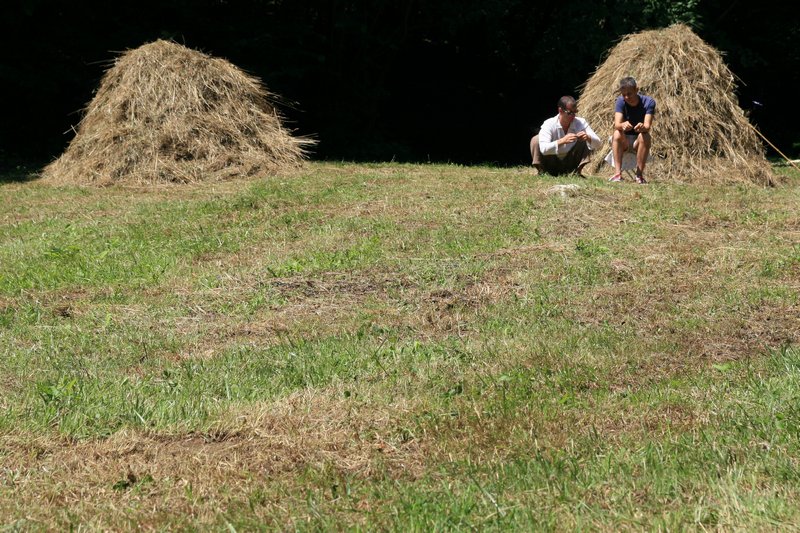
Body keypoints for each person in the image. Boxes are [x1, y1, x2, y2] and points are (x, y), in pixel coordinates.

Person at [530, 95, 602, 177]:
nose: (573, 116)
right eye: (570, 113)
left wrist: (588, 137)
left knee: (587, 139)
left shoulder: (580, 122)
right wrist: (562, 141)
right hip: (551, 162)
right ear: (560, 110)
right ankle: (542, 172)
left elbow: (598, 144)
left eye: (575, 112)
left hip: (570, 163)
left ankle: (577, 172)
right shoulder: (549, 124)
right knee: (536, 139)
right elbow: (543, 149)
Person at [610, 77, 656, 184]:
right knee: (617, 133)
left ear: (636, 90)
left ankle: (639, 176)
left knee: (645, 135)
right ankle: (617, 174)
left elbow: (647, 125)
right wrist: (622, 125)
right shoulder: (620, 101)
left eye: (629, 94)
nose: (626, 97)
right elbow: (617, 124)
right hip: (624, 140)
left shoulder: (649, 102)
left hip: (638, 140)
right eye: (624, 94)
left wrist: (642, 127)